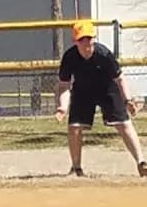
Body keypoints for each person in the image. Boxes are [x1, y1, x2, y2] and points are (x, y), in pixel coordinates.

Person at [55, 19, 147, 178]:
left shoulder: (104, 54)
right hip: (83, 91)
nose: (86, 43)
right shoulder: (69, 57)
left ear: (94, 39)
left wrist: (127, 100)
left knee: (124, 124)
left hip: (107, 88)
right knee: (74, 127)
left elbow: (120, 78)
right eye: (82, 39)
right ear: (75, 41)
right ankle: (76, 168)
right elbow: (64, 86)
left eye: (89, 38)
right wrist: (63, 107)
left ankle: (141, 163)